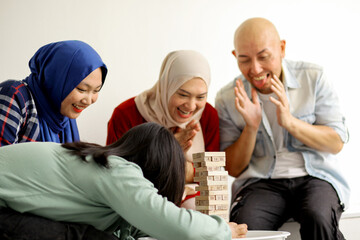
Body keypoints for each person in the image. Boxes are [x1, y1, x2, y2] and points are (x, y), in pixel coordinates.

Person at [215, 17, 350, 240]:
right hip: (261, 183)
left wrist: (290, 122)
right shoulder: (227, 97)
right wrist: (251, 126)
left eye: (264, 57)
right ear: (234, 57)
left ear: (282, 48)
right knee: (246, 227)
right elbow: (233, 169)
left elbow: (336, 143)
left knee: (319, 216)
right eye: (244, 60)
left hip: (314, 176)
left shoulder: (313, 77)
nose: (255, 69)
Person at [0, 122, 248, 240]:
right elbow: (174, 224)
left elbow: (140, 224)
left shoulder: (100, 162)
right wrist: (222, 229)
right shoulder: (116, 170)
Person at [107, 50, 220, 209]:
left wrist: (175, 166)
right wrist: (169, 150)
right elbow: (115, 172)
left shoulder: (208, 115)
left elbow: (213, 175)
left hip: (191, 196)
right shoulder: (127, 114)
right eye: (182, 94)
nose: (191, 106)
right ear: (166, 85)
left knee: (201, 213)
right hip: (139, 196)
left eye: (200, 97)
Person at [0, 40, 107, 145]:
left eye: (96, 90)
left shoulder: (63, 117)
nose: (88, 101)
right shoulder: (14, 96)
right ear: (56, 78)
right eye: (81, 89)